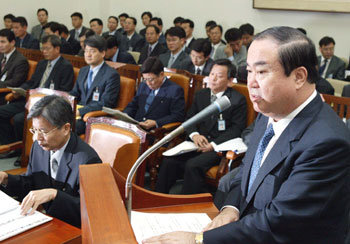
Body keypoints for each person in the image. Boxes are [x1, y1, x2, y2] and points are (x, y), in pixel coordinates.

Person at [145, 26, 350, 244]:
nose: (251, 83)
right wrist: (230, 208)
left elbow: (282, 222)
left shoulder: (328, 142)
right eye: (249, 71)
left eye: (261, 72)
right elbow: (249, 170)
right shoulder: (269, 113)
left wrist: (198, 240)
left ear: (299, 77)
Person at [0, 95, 102, 227]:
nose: (37, 138)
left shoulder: (88, 160)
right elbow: (31, 183)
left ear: (66, 128)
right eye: (34, 130)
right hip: (42, 220)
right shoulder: (39, 146)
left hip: (69, 228)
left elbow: (90, 211)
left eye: (43, 131)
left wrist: (55, 195)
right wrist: (6, 179)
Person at [155, 59, 247, 195]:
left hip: (217, 147)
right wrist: (195, 135)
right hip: (196, 143)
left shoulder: (237, 100)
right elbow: (190, 120)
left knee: (193, 165)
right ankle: (158, 198)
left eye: (219, 76)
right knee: (169, 161)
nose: (213, 79)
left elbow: (237, 129)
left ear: (230, 81)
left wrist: (213, 144)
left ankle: (185, 204)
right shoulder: (201, 94)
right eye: (212, 74)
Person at [0, 34, 74, 160]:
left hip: (48, 105)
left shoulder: (65, 66)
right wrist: (20, 90)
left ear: (57, 49)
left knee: (19, 119)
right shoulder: (42, 63)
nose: (43, 52)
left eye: (47, 48)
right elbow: (32, 82)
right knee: (1, 112)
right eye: (42, 48)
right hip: (30, 100)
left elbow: (64, 91)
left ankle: (23, 150)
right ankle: (10, 144)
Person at [70, 34, 120, 135]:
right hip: (78, 114)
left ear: (102, 53)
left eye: (92, 51)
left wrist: (81, 111)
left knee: (65, 128)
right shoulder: (83, 71)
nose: (88, 55)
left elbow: (106, 103)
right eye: (86, 51)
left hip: (93, 117)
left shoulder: (111, 75)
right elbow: (75, 93)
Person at [124, 57, 185, 130]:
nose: (148, 83)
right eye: (145, 79)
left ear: (161, 74)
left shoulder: (175, 90)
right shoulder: (143, 85)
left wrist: (156, 122)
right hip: (136, 127)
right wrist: (124, 116)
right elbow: (133, 105)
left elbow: (178, 116)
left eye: (151, 79)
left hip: (156, 131)